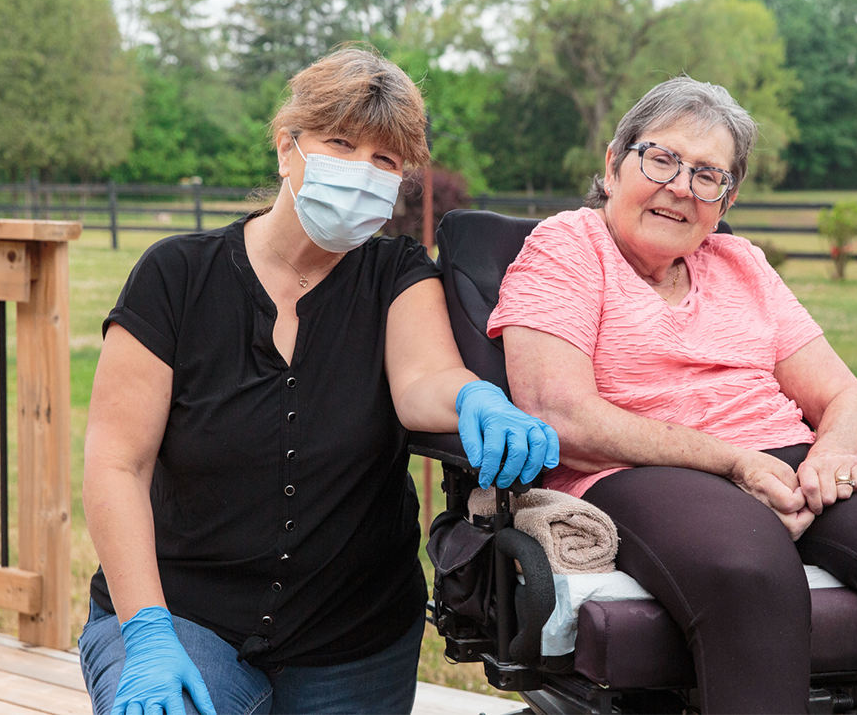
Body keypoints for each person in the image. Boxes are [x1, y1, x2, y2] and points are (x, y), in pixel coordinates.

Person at [486, 77, 857, 715]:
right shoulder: (567, 246)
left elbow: (844, 397)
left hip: (785, 461)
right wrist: (735, 462)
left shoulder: (742, 265)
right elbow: (558, 412)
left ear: (726, 197)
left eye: (709, 175)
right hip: (640, 468)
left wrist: (830, 460)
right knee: (748, 567)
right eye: (662, 158)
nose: (682, 187)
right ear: (615, 163)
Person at [79, 47, 559, 715]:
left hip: (351, 643)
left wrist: (473, 396)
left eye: (385, 160)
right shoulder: (175, 277)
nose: (361, 171)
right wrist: (148, 629)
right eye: (340, 143)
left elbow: (423, 377)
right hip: (183, 620)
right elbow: (115, 465)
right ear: (287, 147)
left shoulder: (395, 271)